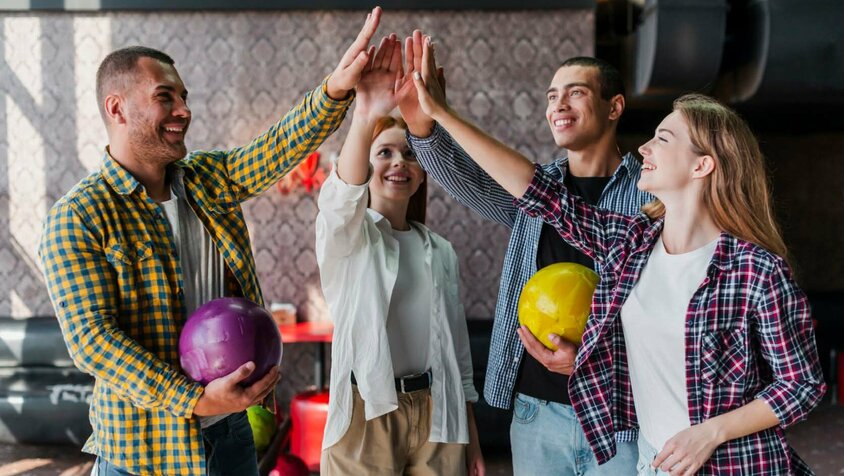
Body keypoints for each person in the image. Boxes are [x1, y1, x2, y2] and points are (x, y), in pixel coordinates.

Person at [411, 39, 826, 475]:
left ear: (701, 166)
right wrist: (440, 115)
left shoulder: (755, 269)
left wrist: (709, 433)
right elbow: (537, 192)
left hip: (734, 465)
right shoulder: (631, 245)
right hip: (651, 461)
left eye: (662, 138)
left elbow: (802, 385)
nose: (644, 148)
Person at [37, 8, 383, 475]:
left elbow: (278, 146)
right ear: (116, 108)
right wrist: (194, 399)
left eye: (183, 96)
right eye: (166, 96)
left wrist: (337, 88)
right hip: (144, 451)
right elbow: (92, 340)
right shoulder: (78, 217)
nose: (184, 110)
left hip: (230, 435)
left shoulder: (206, 178)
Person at [394, 31, 651, 474]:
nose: (559, 105)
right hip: (536, 412)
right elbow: (467, 180)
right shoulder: (535, 190)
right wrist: (422, 126)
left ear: (615, 107)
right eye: (553, 96)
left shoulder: (651, 193)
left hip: (620, 419)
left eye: (576, 93)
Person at [315, 34, 484, 476]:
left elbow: (459, 357)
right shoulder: (350, 241)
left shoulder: (441, 251)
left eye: (409, 154)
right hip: (366, 411)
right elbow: (339, 202)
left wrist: (472, 439)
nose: (399, 163)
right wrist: (366, 113)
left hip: (438, 413)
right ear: (367, 164)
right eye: (385, 152)